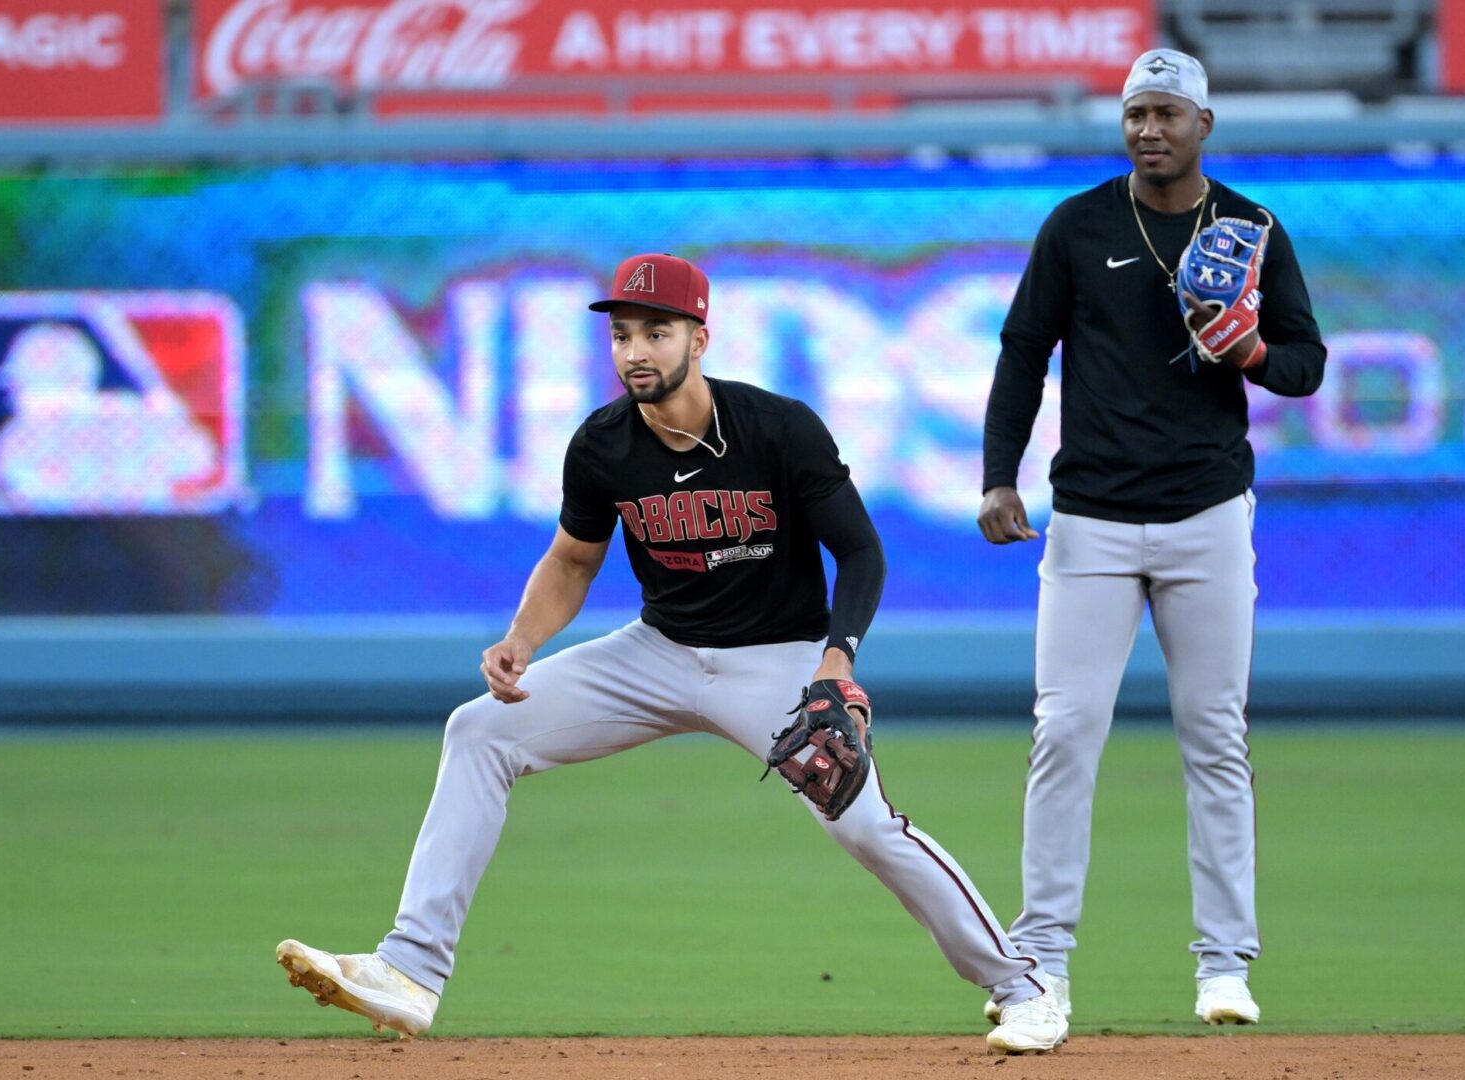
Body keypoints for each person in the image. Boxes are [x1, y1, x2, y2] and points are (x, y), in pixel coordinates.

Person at [277, 253, 1069, 1055]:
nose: (636, 351)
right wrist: (522, 640)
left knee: (863, 827)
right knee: (479, 730)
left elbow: (861, 555)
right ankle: (409, 971)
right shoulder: (603, 444)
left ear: (701, 337)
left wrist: (837, 662)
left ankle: (1021, 985)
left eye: (658, 331)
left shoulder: (778, 428)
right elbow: (573, 558)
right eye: (623, 334)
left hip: (779, 660)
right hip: (656, 655)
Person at [977, 50, 1327, 1027]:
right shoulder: (1080, 225)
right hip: (1089, 517)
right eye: (1135, 112)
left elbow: (1306, 363)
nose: (1147, 129)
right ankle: (1039, 968)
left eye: (1166, 112)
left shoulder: (1250, 229)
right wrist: (998, 477)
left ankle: (1224, 967)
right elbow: (1021, 352)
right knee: (1063, 733)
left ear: (1202, 125)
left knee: (1213, 736)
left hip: (1206, 514)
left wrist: (1252, 350)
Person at [0, 321, 215, 508]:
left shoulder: (129, 414)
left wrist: (173, 422)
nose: (13, 393)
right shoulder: (16, 441)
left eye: (22, 382)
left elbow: (201, 463)